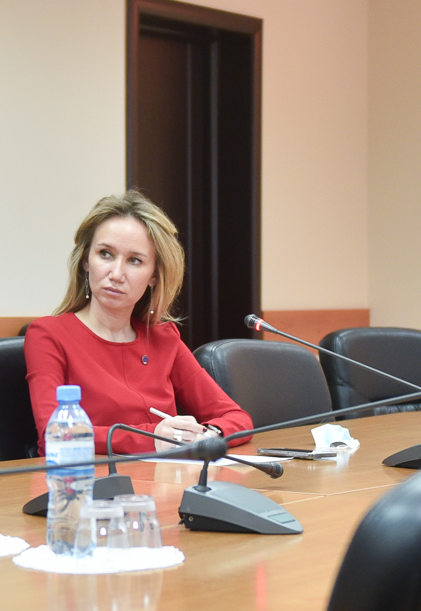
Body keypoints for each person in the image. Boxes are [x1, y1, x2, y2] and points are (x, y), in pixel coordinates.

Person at [24, 191, 252, 454]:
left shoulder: (164, 338)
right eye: (105, 254)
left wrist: (207, 435)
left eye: (134, 260)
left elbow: (237, 418)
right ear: (86, 260)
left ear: (154, 276)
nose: (116, 273)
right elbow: (55, 433)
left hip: (163, 476)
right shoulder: (48, 335)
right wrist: (151, 438)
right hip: (85, 477)